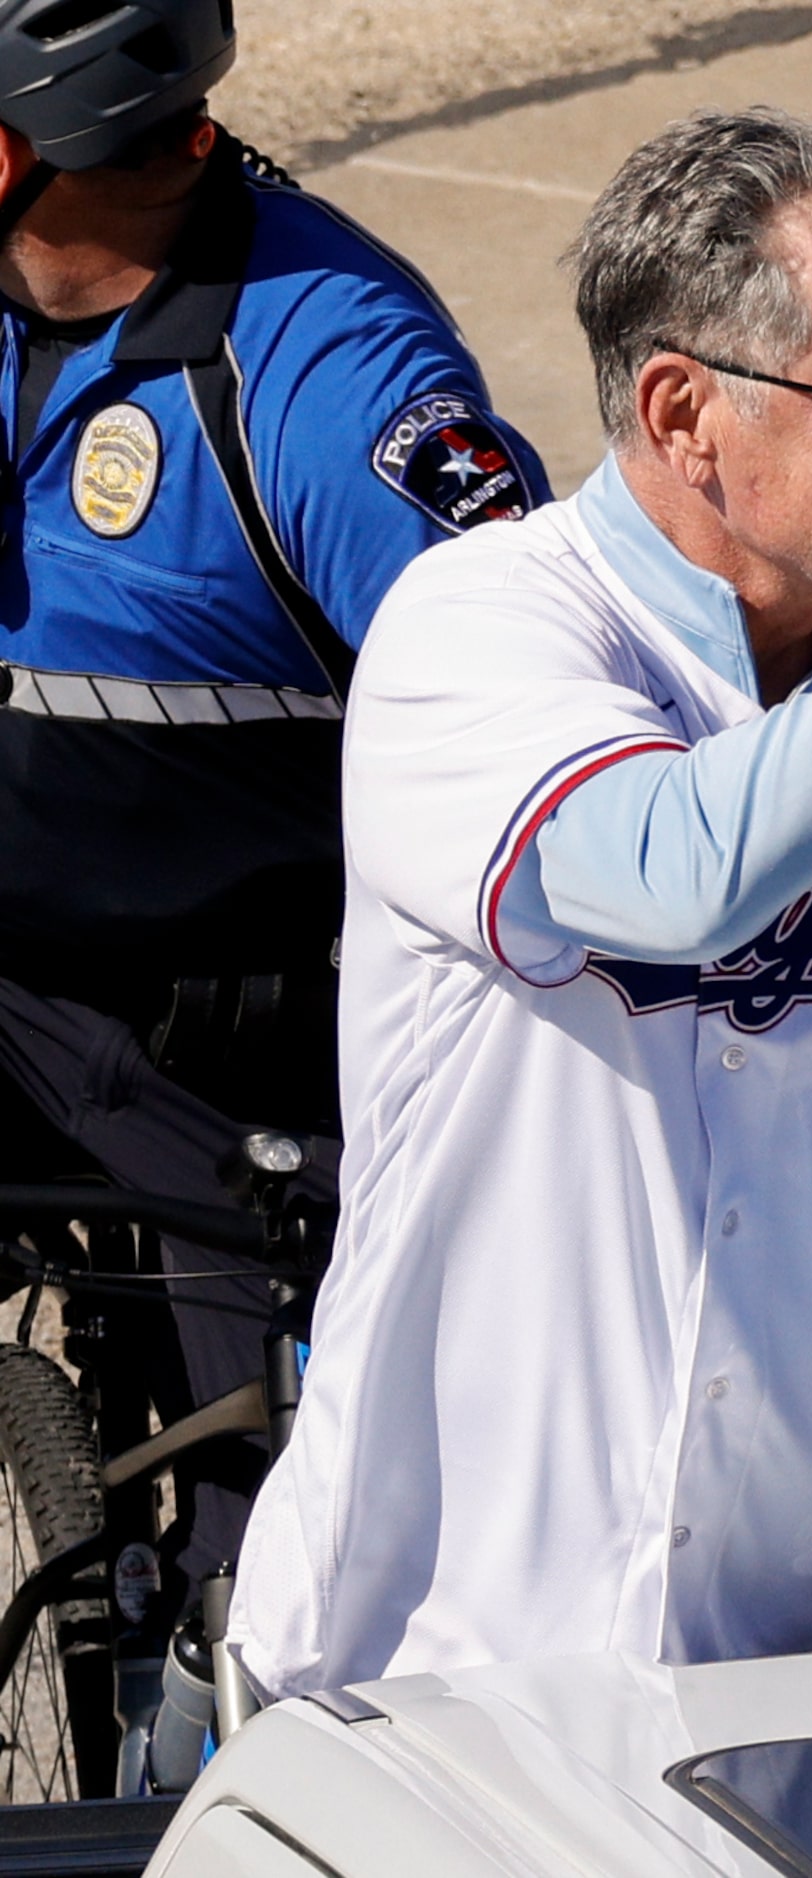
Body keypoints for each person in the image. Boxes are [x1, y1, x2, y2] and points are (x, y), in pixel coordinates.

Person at [228, 106, 812, 1695]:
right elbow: (674, 871)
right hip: (427, 1664)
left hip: (808, 1676)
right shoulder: (478, 625)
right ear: (685, 410)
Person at [0, 0, 544, 1601]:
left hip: (229, 1053)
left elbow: (543, 724)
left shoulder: (326, 377)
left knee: (270, 1613)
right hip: (22, 984)